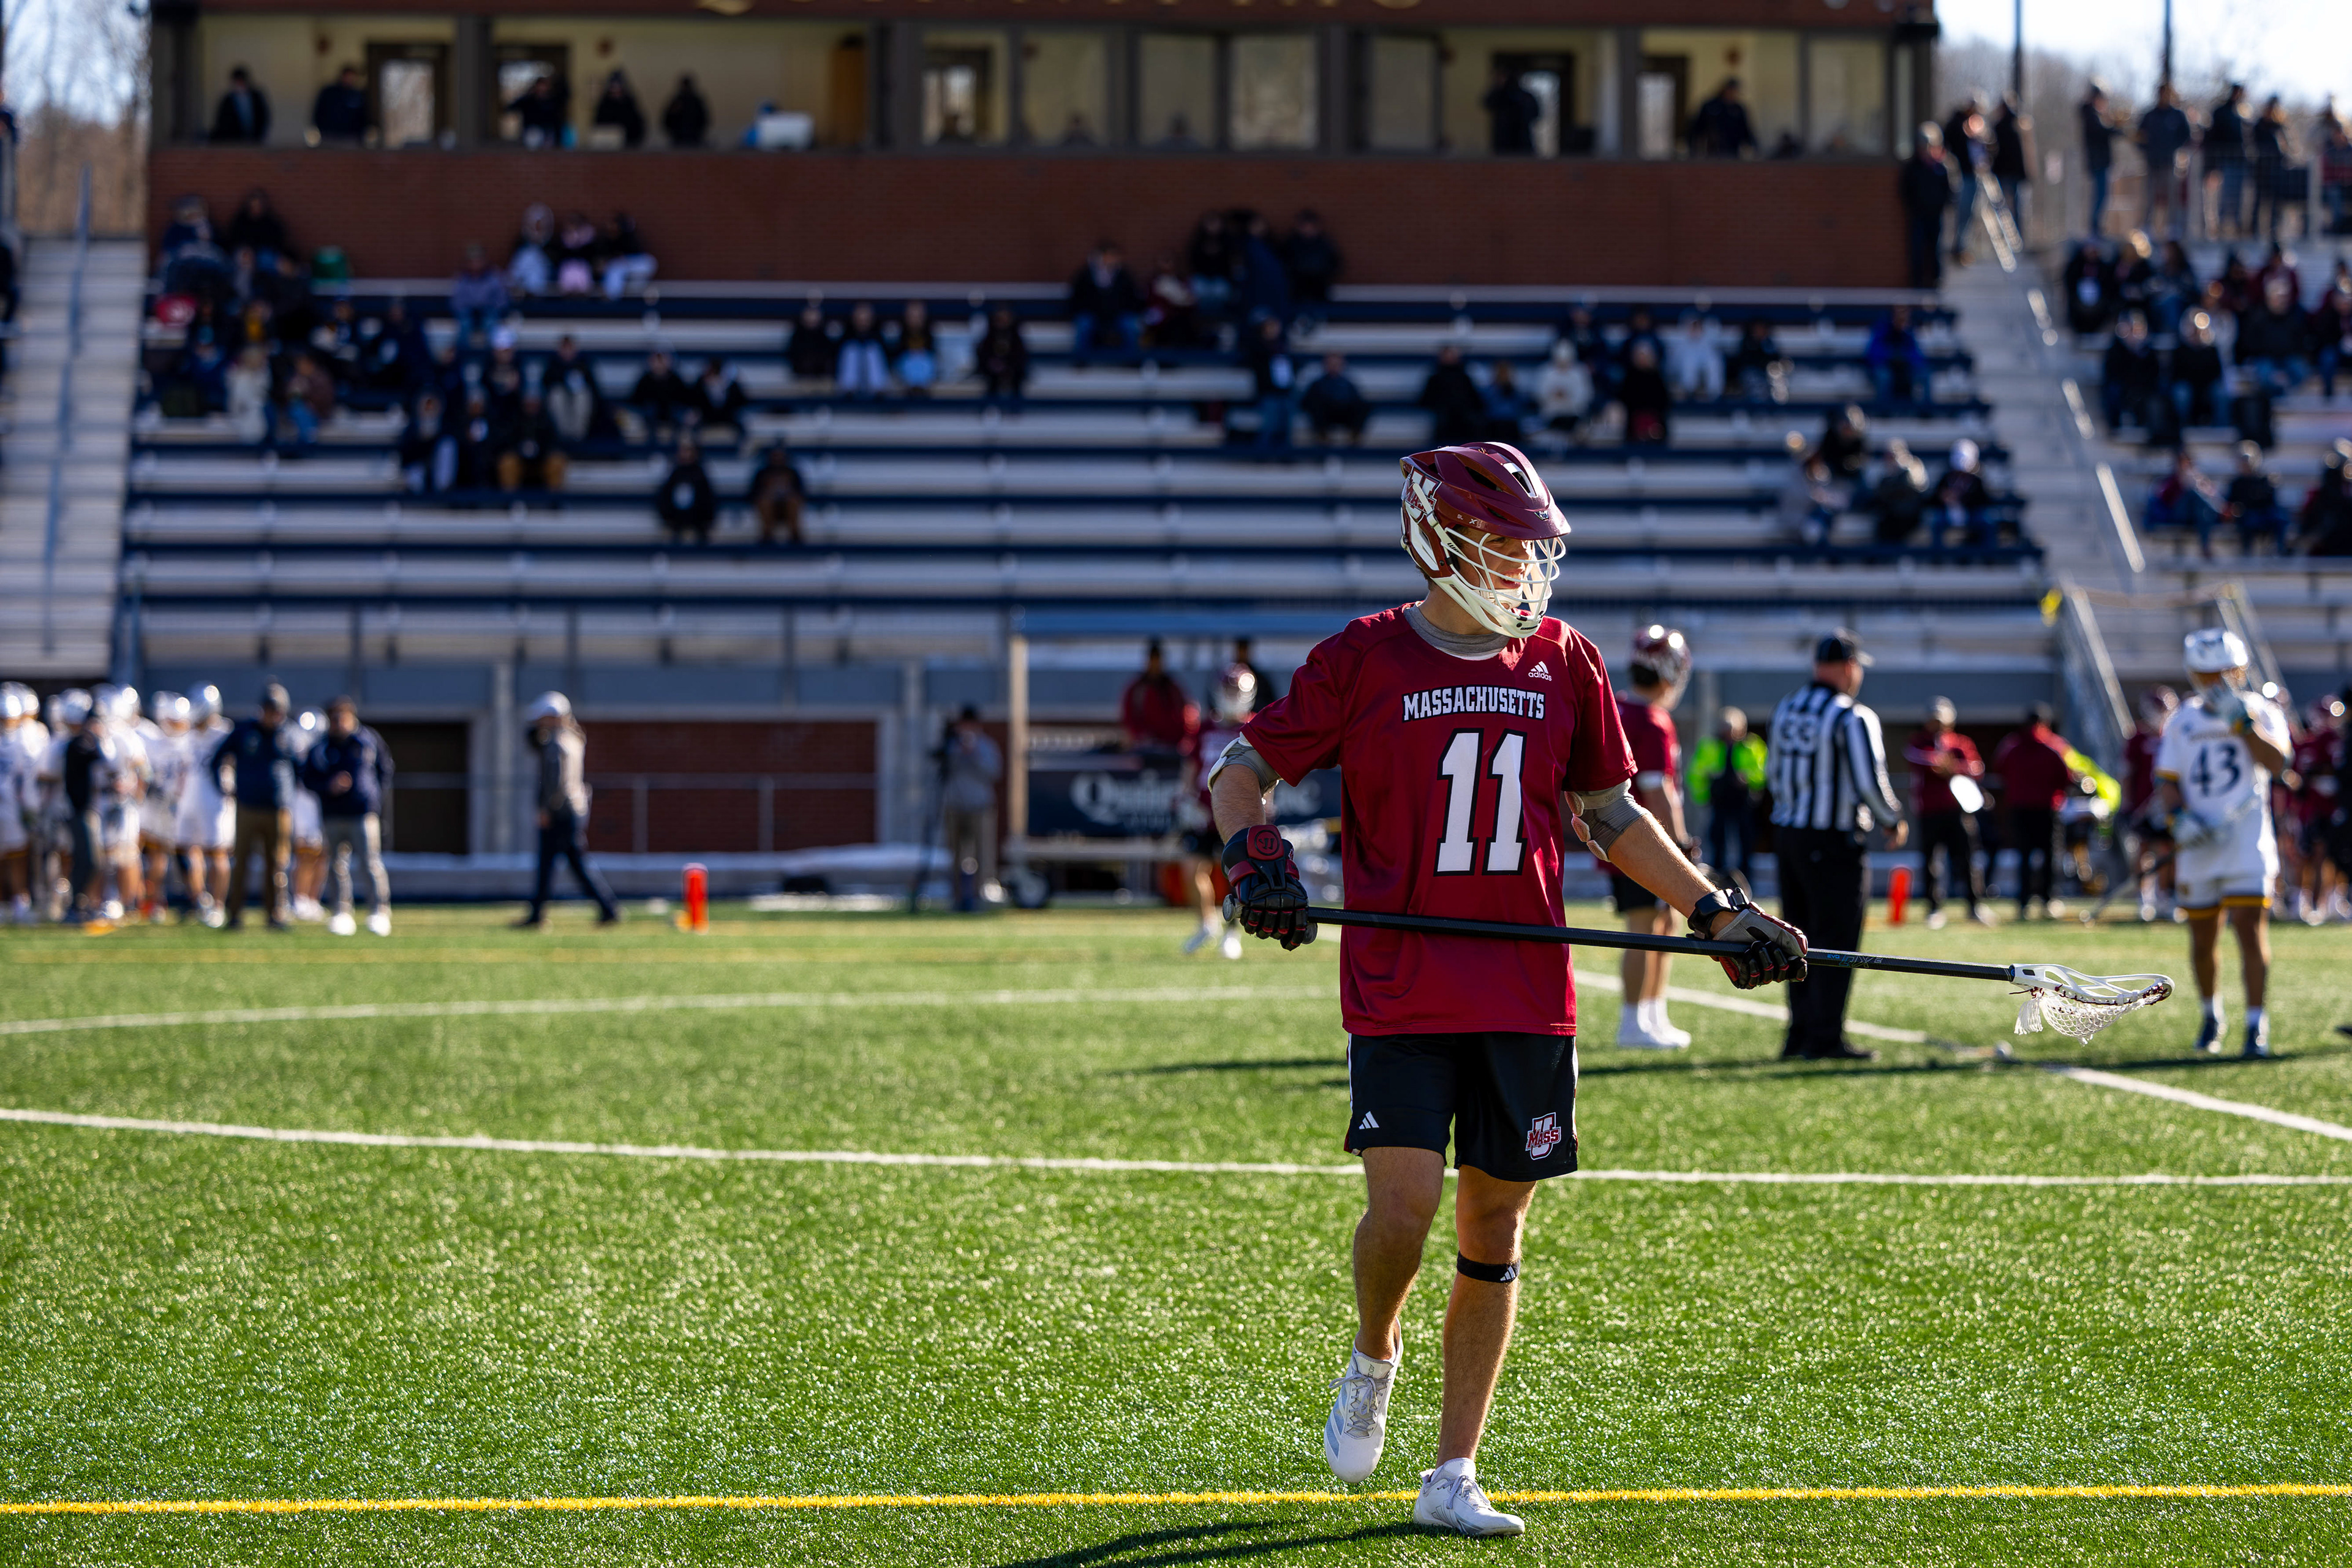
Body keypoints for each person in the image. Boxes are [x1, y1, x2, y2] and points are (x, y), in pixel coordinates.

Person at [1209, 439, 1806, 1538]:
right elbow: (1239, 770)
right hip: (1401, 981)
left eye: (1530, 546)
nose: (1521, 565)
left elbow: (1611, 815)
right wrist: (1256, 859)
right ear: (1439, 540)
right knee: (1404, 1208)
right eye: (1498, 542)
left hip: (1525, 987)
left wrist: (1715, 913)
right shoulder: (1365, 656)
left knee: (1495, 1222)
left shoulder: (1564, 659)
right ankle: (1374, 1352)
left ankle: (1454, 1469)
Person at [1764, 629, 1907, 1060]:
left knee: (1795, 939)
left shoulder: (1787, 707)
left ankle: (1799, 1033)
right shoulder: (1852, 716)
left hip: (1789, 835)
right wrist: (1892, 819)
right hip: (1833, 841)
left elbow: (1772, 774)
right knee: (1836, 940)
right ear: (1849, 667)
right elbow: (1870, 781)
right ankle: (1825, 1037)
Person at [2157, 630, 2290, 1056]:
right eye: (2207, 673)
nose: (2216, 681)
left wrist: (2243, 725)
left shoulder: (2261, 710)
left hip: (2247, 840)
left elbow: (2278, 763)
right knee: (2202, 936)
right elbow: (2168, 781)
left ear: (2241, 669)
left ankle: (2256, 1024)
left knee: (2251, 930)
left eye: (2224, 672)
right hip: (2200, 844)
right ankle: (2211, 1014)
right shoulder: (2183, 719)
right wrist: (2179, 819)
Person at [1608, 627, 1700, 1049]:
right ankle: (1633, 1021)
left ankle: (1652, 1014)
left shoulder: (1620, 709)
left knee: (1665, 925)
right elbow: (1658, 790)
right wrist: (1680, 844)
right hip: (1643, 841)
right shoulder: (1650, 719)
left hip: (1618, 835)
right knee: (1645, 928)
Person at [517, 693, 619, 927]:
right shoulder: (573, 738)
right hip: (572, 809)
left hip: (559, 812)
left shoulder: (556, 744)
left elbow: (556, 782)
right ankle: (607, 909)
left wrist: (546, 809)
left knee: (551, 863)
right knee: (572, 863)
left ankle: (538, 915)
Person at [1176, 666, 1256, 958]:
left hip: (1236, 812)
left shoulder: (1254, 728)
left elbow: (1266, 770)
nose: (1233, 697)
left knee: (1236, 875)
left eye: (1238, 691)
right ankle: (1206, 924)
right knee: (1191, 869)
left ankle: (1232, 933)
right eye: (1229, 691)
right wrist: (1184, 799)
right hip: (1203, 811)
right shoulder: (1206, 729)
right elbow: (1191, 765)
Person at [209, 683, 301, 930]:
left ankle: (275, 914)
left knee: (277, 863)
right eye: (270, 710)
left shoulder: (289, 734)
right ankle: (235, 914)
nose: (274, 716)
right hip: (248, 807)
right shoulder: (245, 731)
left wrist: (291, 793)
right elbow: (217, 759)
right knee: (241, 862)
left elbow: (300, 767)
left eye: (278, 711)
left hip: (278, 810)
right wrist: (223, 788)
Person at [300, 697, 392, 936]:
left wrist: (372, 799)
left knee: (370, 863)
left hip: (362, 813)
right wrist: (328, 786)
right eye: (335, 719)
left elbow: (384, 770)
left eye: (343, 718)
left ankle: (379, 911)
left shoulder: (367, 740)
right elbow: (308, 778)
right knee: (336, 865)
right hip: (333, 814)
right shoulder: (321, 746)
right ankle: (341, 912)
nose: (339, 724)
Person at [1903, 696, 1991, 928]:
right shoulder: (1919, 741)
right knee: (1931, 861)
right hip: (1930, 811)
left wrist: (1952, 766)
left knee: (1966, 859)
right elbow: (1917, 758)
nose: (1937, 724)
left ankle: (1974, 905)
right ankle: (1934, 908)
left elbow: (1975, 768)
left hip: (1958, 810)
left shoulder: (1960, 742)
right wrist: (1941, 764)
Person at [1992, 704, 2078, 921]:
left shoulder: (2011, 745)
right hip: (2047, 809)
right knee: (2050, 856)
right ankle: (2048, 901)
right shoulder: (2056, 745)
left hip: (2019, 808)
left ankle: (2023, 903)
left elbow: (2000, 770)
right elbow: (2068, 776)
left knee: (2024, 856)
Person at [174, 685, 235, 925]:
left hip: (215, 800)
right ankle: (201, 900)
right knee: (189, 849)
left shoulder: (225, 732)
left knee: (217, 852)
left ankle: (218, 905)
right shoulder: (188, 734)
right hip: (189, 798)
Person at [1688, 706, 1765, 888]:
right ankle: (1717, 881)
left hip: (1742, 801)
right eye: (1725, 728)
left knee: (1746, 842)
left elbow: (1762, 771)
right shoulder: (1710, 746)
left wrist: (1748, 779)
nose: (1728, 733)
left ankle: (1746, 881)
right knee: (1718, 841)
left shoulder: (1752, 746)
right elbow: (1696, 772)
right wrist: (1704, 794)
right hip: (1719, 801)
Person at [2123, 687, 2179, 921]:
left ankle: (2164, 896)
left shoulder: (2174, 736)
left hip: (2167, 803)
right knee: (2143, 848)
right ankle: (2143, 898)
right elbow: (2127, 773)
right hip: (2143, 804)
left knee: (2167, 850)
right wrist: (2127, 803)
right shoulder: (2138, 738)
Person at [940, 706, 1002, 914]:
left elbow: (994, 772)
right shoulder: (951, 745)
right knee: (955, 854)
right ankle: (957, 897)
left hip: (980, 807)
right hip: (954, 807)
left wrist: (973, 754)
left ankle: (979, 896)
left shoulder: (987, 746)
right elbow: (942, 770)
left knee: (983, 853)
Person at [1899, 123, 1956, 288]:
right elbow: (1905, 191)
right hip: (1918, 215)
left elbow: (1949, 191)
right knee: (1917, 248)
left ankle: (1936, 280)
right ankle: (1916, 281)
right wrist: (1914, 206)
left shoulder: (1941, 168)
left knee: (1936, 249)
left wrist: (1942, 205)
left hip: (1936, 215)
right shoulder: (1913, 168)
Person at [1120, 639, 1197, 758]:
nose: (1155, 665)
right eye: (1152, 660)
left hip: (1172, 748)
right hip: (1145, 749)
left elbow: (1187, 714)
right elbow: (1129, 718)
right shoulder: (1137, 689)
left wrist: (1182, 739)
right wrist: (1142, 736)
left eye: (1158, 660)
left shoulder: (1172, 687)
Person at [1068, 243, 1143, 366]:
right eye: (1108, 256)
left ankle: (1132, 360)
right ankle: (1081, 359)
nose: (1111, 259)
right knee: (1084, 324)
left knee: (1130, 325)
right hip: (1093, 315)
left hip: (1118, 315)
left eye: (1114, 256)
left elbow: (1133, 298)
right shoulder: (1086, 275)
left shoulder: (1124, 276)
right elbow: (1077, 298)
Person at [2138, 85, 2193, 240]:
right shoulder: (2150, 116)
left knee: (2172, 196)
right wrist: (2147, 150)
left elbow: (2187, 136)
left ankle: (2173, 227)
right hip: (2152, 163)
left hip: (2170, 163)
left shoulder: (2177, 115)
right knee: (2149, 196)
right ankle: (2148, 228)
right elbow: (2140, 136)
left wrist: (2174, 148)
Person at [2101, 311, 2162, 434]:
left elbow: (2154, 373)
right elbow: (2111, 373)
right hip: (2122, 387)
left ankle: (2154, 431)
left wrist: (2140, 353)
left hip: (2143, 388)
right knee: (2112, 391)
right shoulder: (2115, 348)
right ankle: (2115, 427)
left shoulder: (2148, 350)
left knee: (2156, 396)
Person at [1245, 316, 1296, 458]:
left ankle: (1285, 455)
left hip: (1285, 392)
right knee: (1269, 425)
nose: (1274, 330)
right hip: (1269, 392)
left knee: (1286, 426)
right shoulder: (1259, 347)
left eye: (1275, 326)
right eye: (1270, 327)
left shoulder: (1283, 346)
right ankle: (1262, 455)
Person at [2204, 85, 2250, 239]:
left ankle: (2236, 227)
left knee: (2238, 197)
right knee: (2223, 197)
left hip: (2241, 161)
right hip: (2225, 161)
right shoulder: (2221, 112)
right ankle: (2220, 228)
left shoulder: (2244, 112)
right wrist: (2212, 163)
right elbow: (2213, 137)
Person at [1930, 439, 1994, 550]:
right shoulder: (1947, 478)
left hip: (1972, 513)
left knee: (1987, 521)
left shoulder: (1977, 479)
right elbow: (1933, 499)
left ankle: (1988, 554)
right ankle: (1937, 554)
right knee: (1936, 521)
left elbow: (1985, 500)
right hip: (1948, 513)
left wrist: (1963, 499)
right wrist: (1943, 498)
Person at [1417, 345, 1485, 447]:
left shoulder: (1464, 378)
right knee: (1442, 421)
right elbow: (1425, 399)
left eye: (1452, 355)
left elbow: (1475, 399)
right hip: (1443, 414)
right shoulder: (1435, 378)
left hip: (1463, 414)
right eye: (1447, 355)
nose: (1449, 358)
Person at [656, 437, 718, 543]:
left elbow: (707, 501)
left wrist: (703, 521)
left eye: (689, 450)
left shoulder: (700, 475)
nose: (686, 454)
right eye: (683, 450)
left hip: (697, 524)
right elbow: (664, 498)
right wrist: (670, 519)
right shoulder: (674, 474)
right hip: (676, 524)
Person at [1866, 304, 1929, 407]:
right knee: (1884, 376)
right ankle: (1884, 410)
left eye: (1905, 318)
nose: (1903, 321)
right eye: (1900, 317)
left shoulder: (1908, 334)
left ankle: (1926, 411)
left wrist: (1906, 358)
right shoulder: (1882, 331)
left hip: (1905, 368)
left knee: (1924, 374)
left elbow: (1917, 357)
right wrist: (1891, 356)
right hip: (1885, 367)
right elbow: (1873, 355)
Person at [1302, 353, 1371, 445]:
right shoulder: (1317, 384)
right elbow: (1306, 402)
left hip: (1344, 413)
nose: (1334, 367)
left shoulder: (1348, 384)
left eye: (1337, 364)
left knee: (1363, 405)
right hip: (1326, 415)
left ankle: (1355, 436)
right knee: (1316, 405)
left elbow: (1357, 399)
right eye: (1331, 364)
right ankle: (1322, 436)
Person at [1990, 94, 2035, 238]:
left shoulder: (2016, 125)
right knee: (2013, 207)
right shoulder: (2020, 125)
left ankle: (2013, 237)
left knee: (2008, 207)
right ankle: (2014, 237)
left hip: (2007, 173)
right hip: (2012, 173)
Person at [748, 442, 807, 546]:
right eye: (775, 455)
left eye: (780, 455)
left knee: (794, 501)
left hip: (787, 506)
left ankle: (795, 533)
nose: (778, 459)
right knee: (764, 502)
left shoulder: (792, 473)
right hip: (769, 506)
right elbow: (753, 494)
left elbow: (801, 493)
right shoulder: (762, 474)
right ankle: (767, 534)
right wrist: (768, 492)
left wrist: (788, 492)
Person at [2079, 84, 2119, 238]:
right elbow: (2102, 131)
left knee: (2101, 195)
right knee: (2100, 196)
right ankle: (2095, 228)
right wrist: (2115, 127)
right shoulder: (2091, 114)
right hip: (2098, 161)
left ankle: (2096, 227)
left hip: (2100, 161)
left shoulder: (2093, 114)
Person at [628, 349, 695, 440]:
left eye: (662, 361)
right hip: (651, 416)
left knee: (677, 411)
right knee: (650, 409)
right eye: (656, 361)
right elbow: (636, 400)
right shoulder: (645, 380)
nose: (659, 364)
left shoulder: (675, 379)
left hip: (672, 415)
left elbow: (686, 399)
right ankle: (652, 443)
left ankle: (674, 443)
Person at [449, 244, 508, 345]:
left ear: (484, 261)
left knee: (490, 323)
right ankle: (463, 353)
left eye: (478, 260)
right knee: (464, 323)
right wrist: (470, 307)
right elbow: (457, 302)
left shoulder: (494, 277)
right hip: (468, 313)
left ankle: (490, 353)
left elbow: (502, 300)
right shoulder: (462, 279)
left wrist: (491, 307)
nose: (475, 264)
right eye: (472, 261)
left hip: (489, 312)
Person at [1535, 339, 1593, 439]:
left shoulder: (1580, 373)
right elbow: (1539, 395)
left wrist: (1566, 396)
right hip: (1552, 416)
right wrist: (1556, 395)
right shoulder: (1545, 372)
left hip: (1575, 415)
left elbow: (1585, 396)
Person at [1617, 342, 1671, 445]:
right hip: (1634, 418)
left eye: (1645, 356)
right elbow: (1624, 398)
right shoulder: (1629, 378)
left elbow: (1664, 400)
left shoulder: (1657, 378)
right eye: (1640, 356)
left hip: (1655, 419)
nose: (1643, 359)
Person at [1689, 79, 1757, 159]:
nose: (1732, 94)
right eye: (1730, 90)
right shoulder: (1710, 107)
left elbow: (1746, 130)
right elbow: (1697, 127)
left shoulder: (1738, 109)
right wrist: (1691, 146)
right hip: (1712, 151)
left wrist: (1754, 146)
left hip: (1733, 151)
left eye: (1735, 92)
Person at [1665, 314, 1724, 402]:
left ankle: (1714, 395)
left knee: (1713, 364)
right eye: (1693, 327)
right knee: (1689, 363)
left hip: (1706, 381)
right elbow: (1673, 364)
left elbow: (1713, 361)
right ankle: (1689, 394)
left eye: (1697, 327)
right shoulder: (1680, 343)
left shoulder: (1707, 343)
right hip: (1681, 378)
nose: (1695, 330)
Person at [835, 302, 889, 399]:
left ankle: (878, 392)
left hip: (876, 390)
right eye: (860, 319)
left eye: (866, 320)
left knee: (872, 350)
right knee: (851, 350)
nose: (863, 323)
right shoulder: (846, 339)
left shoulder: (878, 340)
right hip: (849, 391)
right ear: (854, 319)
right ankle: (849, 392)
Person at [1482, 67, 1539, 156]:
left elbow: (1535, 114)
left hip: (1521, 139)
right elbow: (1488, 103)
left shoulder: (1525, 97)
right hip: (1503, 139)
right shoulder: (1500, 95)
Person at [211, 67, 271, 145]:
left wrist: (259, 135)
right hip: (234, 140)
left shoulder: (256, 97)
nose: (240, 84)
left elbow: (263, 116)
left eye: (241, 81)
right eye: (238, 81)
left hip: (255, 138)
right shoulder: (227, 100)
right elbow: (223, 121)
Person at [787, 303, 842, 385]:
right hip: (802, 378)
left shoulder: (826, 336)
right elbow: (793, 357)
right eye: (810, 315)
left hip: (823, 378)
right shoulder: (797, 337)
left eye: (815, 315)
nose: (812, 318)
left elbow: (831, 356)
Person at [311, 65, 368, 143]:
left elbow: (363, 115)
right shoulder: (329, 92)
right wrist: (320, 128)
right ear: (342, 76)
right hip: (329, 134)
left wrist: (362, 133)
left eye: (352, 77)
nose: (350, 79)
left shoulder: (357, 94)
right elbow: (319, 111)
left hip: (351, 136)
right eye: (348, 76)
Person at [592, 70, 646, 148]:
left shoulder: (629, 103)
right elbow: (598, 126)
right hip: (607, 147)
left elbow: (638, 126)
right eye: (613, 87)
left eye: (618, 87)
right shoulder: (604, 104)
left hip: (629, 146)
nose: (616, 90)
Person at [662, 74, 710, 147]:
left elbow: (704, 119)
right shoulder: (677, 101)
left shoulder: (696, 101)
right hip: (679, 138)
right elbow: (667, 119)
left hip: (694, 138)